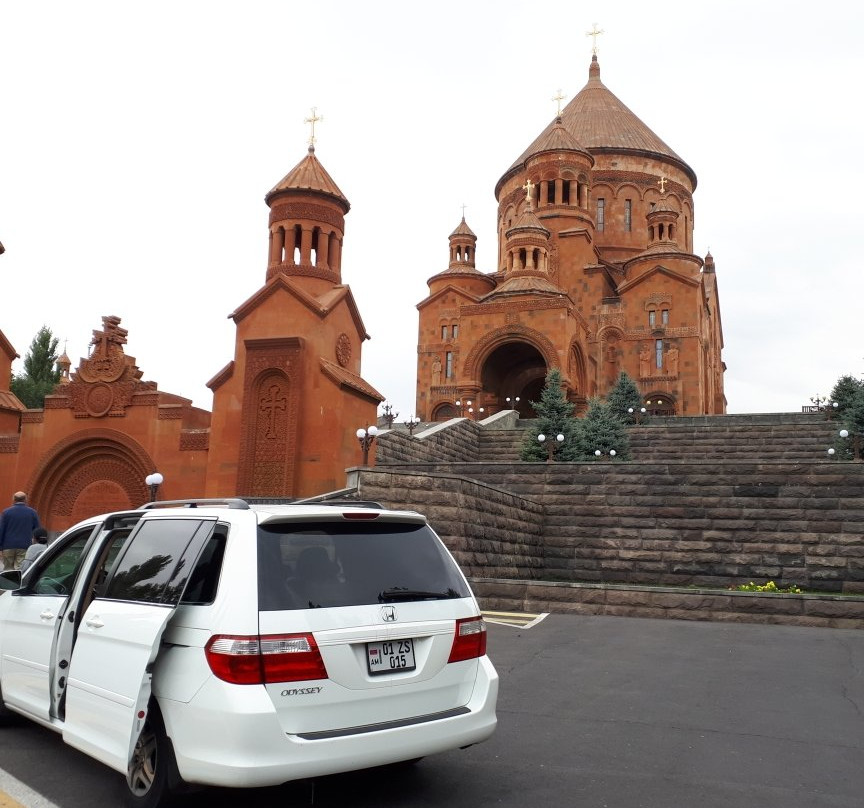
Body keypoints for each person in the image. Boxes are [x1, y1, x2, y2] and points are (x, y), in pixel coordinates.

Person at [0, 492, 42, 570]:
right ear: (25, 499)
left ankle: (7, 582)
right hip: (25, 545)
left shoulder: (6, 512)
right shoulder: (32, 512)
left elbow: (1, 530)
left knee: (7, 570)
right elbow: (37, 529)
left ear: (13, 499)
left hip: (8, 546)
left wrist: (0, 547)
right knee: (20, 570)